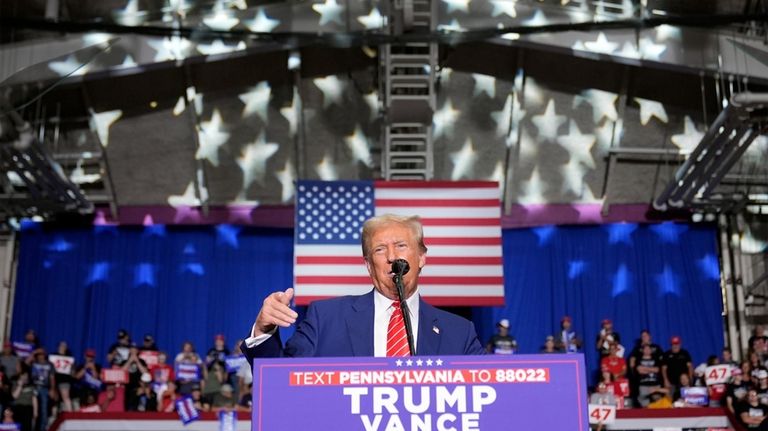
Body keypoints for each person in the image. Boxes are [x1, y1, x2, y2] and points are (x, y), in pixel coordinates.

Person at [241, 214, 485, 360]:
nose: (391, 257)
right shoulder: (326, 318)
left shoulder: (459, 333)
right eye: (380, 249)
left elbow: (493, 393)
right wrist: (263, 331)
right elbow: (280, 381)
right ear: (369, 265)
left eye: (401, 246)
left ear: (421, 257)